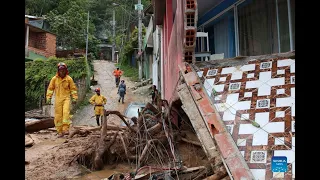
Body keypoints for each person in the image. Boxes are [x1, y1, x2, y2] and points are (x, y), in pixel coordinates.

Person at [46, 62, 78, 137]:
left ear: (65, 70)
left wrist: (74, 98)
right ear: (58, 71)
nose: (62, 71)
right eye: (60, 70)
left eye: (63, 70)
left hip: (66, 98)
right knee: (58, 115)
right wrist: (48, 98)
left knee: (66, 113)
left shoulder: (69, 79)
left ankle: (65, 129)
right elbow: (50, 89)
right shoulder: (54, 79)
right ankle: (59, 131)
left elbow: (73, 89)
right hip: (58, 99)